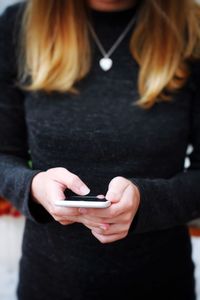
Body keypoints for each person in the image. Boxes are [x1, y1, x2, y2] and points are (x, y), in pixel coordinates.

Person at [0, 0, 200, 299]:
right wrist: (32, 186)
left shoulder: (192, 28)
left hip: (161, 284)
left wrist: (147, 203)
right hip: (48, 285)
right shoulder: (20, 25)